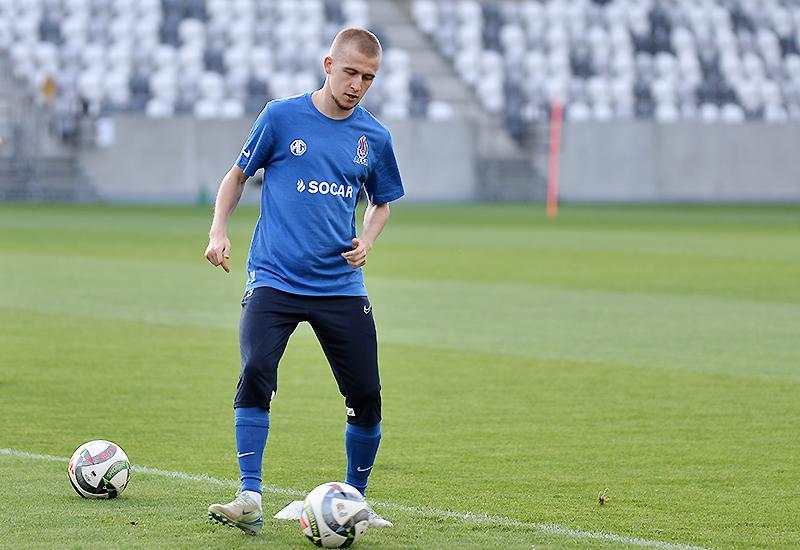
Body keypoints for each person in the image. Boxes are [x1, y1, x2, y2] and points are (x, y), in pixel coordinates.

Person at [204, 28, 404, 536]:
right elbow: (237, 176)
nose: (357, 85)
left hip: (340, 285)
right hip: (274, 277)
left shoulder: (374, 137)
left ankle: (354, 499)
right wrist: (219, 230)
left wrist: (368, 239)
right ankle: (249, 497)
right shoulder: (280, 117)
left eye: (368, 78)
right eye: (350, 72)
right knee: (256, 370)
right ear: (328, 65)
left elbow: (381, 202)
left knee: (366, 394)